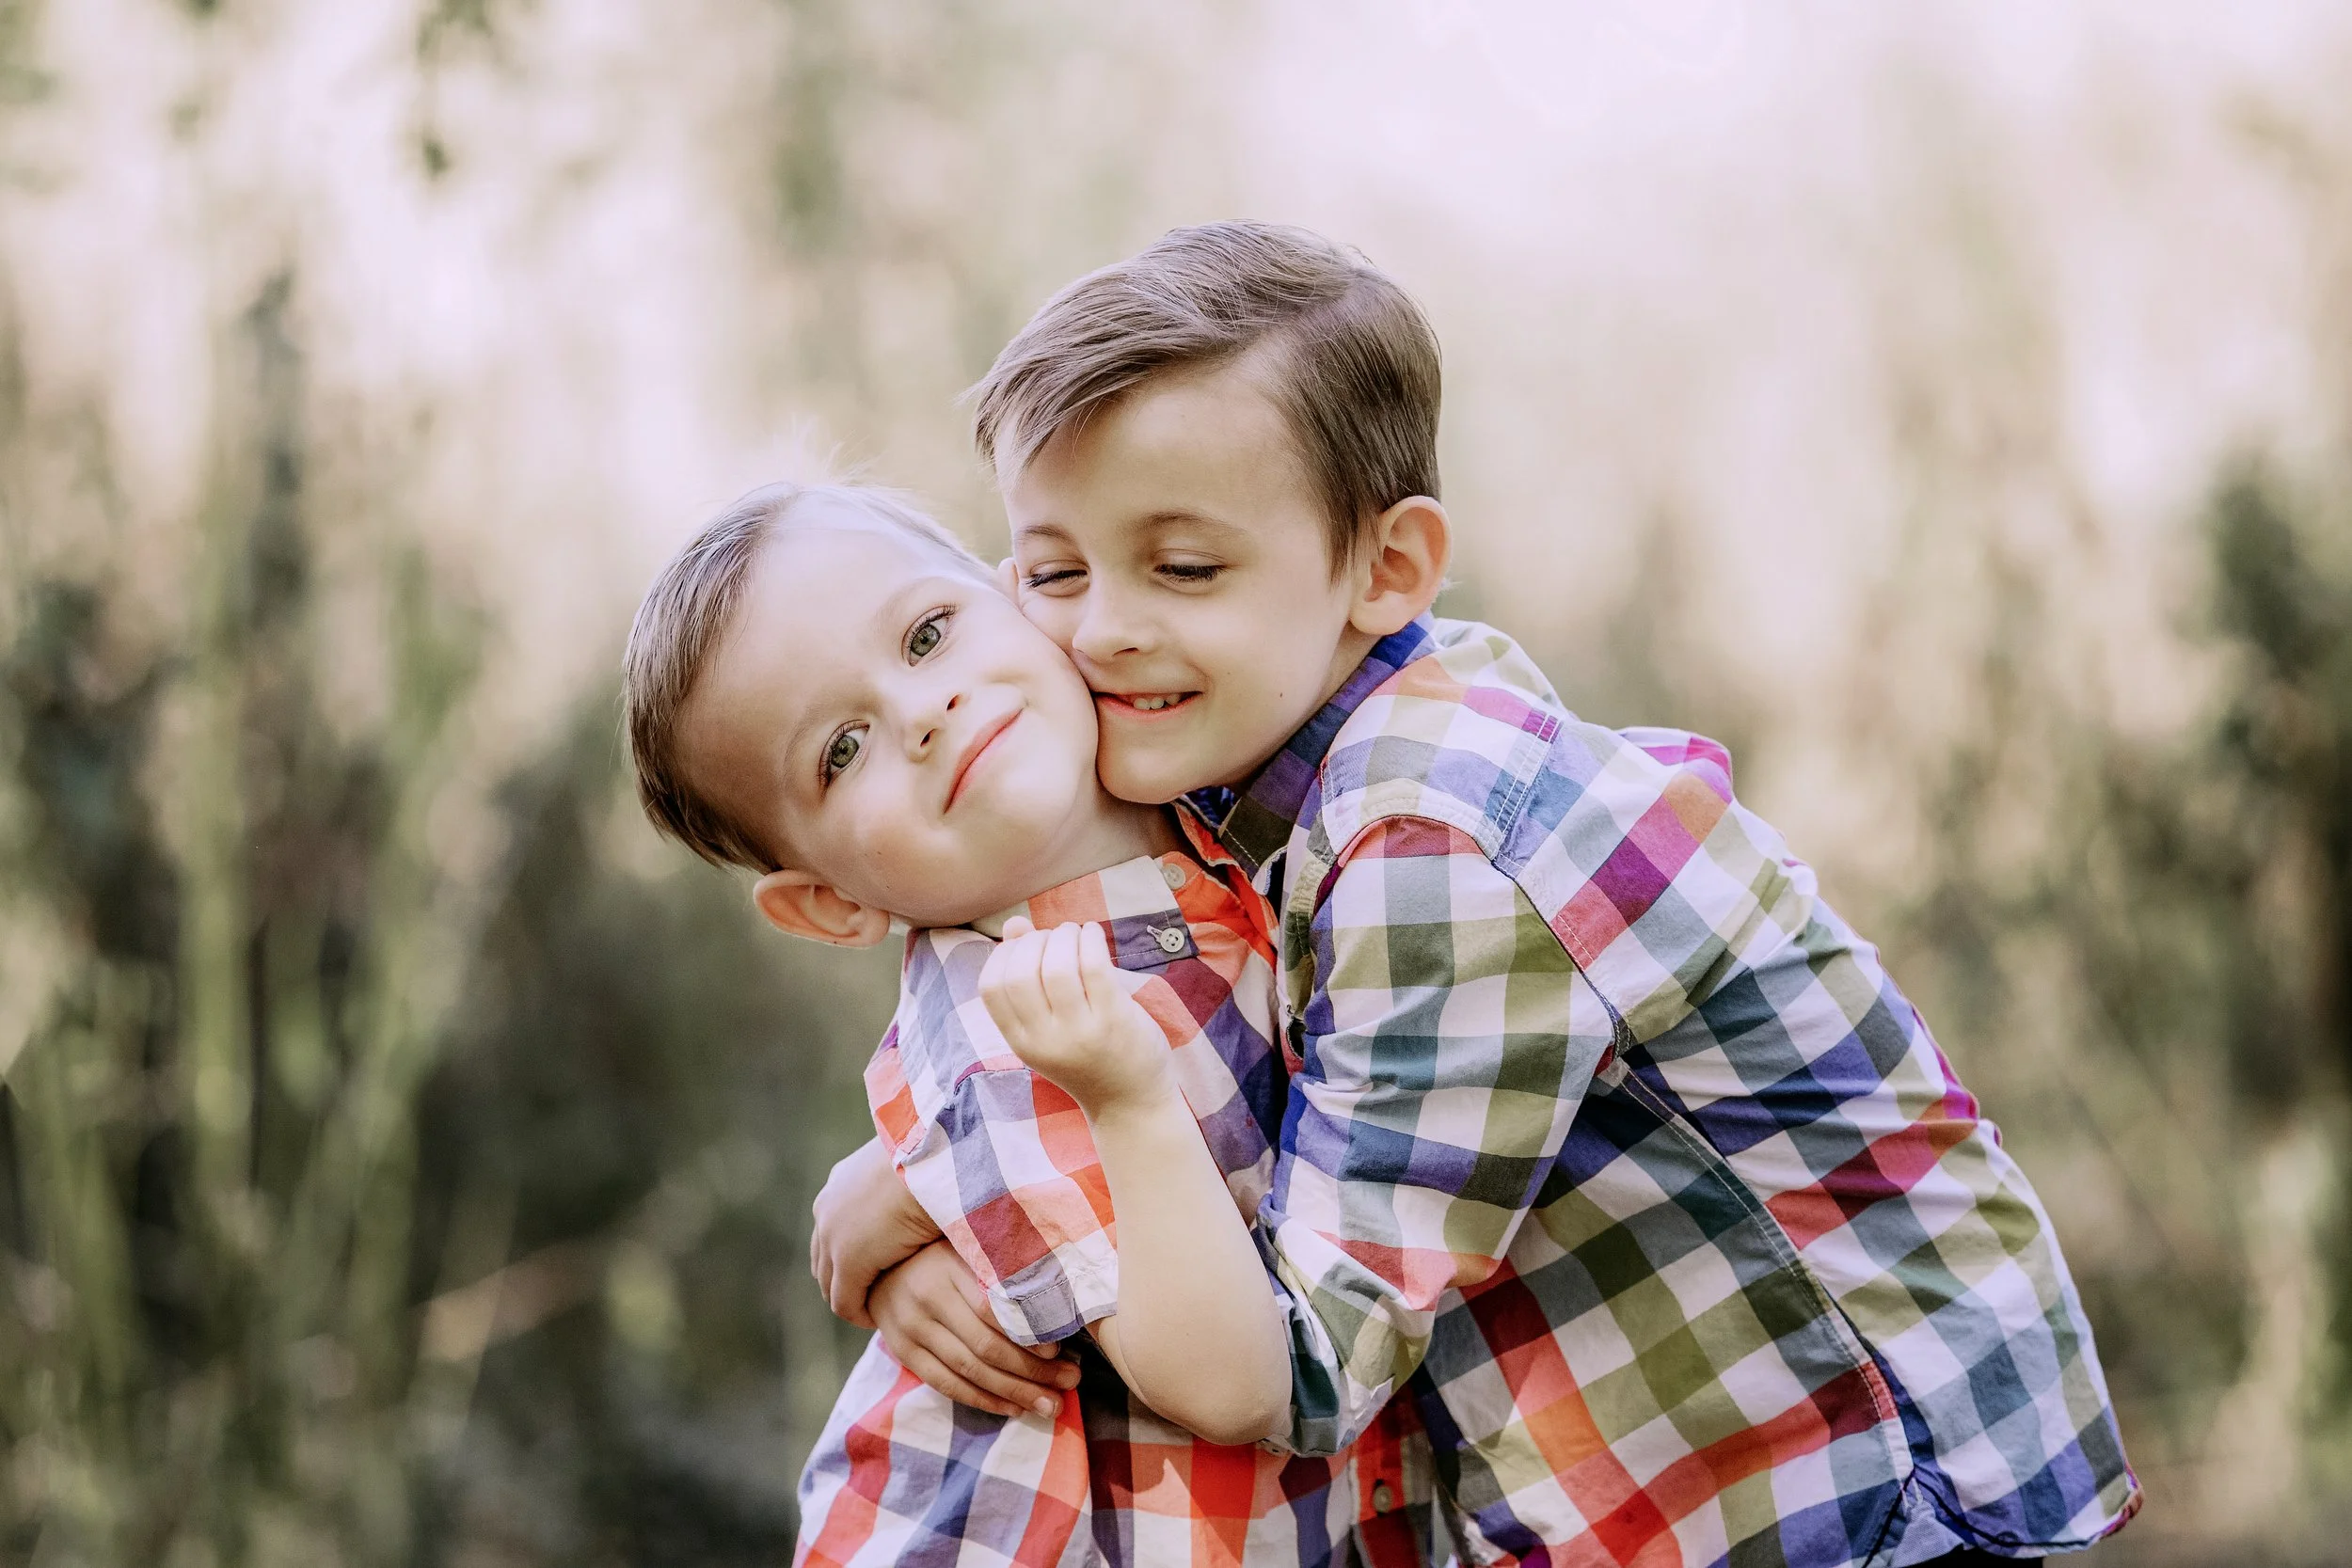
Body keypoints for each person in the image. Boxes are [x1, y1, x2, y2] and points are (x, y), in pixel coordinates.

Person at [818, 222, 2142, 1567]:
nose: (1101, 628)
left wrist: (954, 1189)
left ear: (1385, 568)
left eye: (1187, 566)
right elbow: (1247, 1073)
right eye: (1054, 571)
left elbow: (1302, 1359)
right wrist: (919, 1174)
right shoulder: (1268, 748)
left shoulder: (1429, 835)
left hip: (1857, 1485)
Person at [622, 482, 1433, 1568]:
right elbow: (1232, 1386)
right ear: (829, 901)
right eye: (841, 749)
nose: (920, 712)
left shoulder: (1208, 799)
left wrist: (906, 1186)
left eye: (925, 634)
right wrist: (1074, 1113)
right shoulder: (1014, 1036)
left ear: (1020, 598)